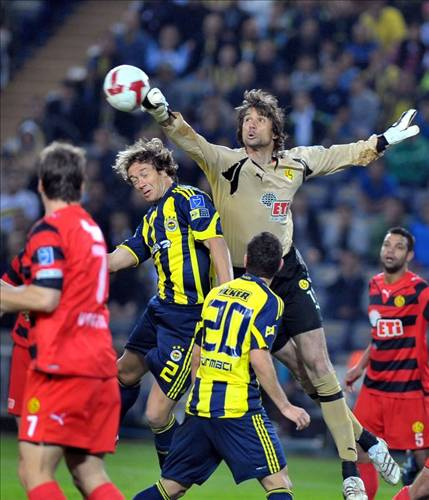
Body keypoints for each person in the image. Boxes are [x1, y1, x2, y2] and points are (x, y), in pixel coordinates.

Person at [134, 85, 420, 497]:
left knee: (320, 366)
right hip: (243, 283)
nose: (250, 124)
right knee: (308, 379)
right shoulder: (224, 163)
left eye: (259, 119)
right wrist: (161, 112)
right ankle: (370, 442)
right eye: (245, 120)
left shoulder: (294, 163)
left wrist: (383, 141)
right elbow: (187, 137)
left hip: (286, 273)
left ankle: (350, 471)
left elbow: (341, 154)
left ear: (274, 128)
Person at [132, 232, 311, 500]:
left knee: (170, 487)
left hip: (201, 405)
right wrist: (285, 406)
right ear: (280, 267)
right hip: (238, 408)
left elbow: (197, 350)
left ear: (247, 260)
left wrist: (198, 391)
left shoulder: (216, 294)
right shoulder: (270, 302)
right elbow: (258, 355)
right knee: (278, 482)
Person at [0, 142, 123, 500]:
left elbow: (45, 296)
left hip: (63, 366)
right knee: (89, 474)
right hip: (100, 366)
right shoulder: (92, 231)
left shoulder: (49, 230)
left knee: (33, 470)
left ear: (40, 185)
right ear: (82, 186)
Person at [108, 137, 233, 467]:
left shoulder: (190, 199)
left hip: (190, 319)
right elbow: (124, 255)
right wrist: (87, 259)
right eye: (134, 180)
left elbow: (218, 248)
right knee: (122, 373)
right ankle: (104, 434)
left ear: (164, 170)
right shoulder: (151, 219)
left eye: (144, 174)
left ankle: (175, 474)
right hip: (159, 308)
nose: (140, 184)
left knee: (155, 414)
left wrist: (228, 305)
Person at [345, 227, 429, 500]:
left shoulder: (420, 291)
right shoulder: (374, 284)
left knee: (421, 460)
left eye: (398, 246)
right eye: (387, 244)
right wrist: (359, 368)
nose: (390, 250)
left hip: (408, 390)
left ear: (409, 255)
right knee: (359, 451)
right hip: (373, 388)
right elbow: (379, 334)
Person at [1, 251, 32, 425]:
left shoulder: (76, 261)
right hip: (23, 346)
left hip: (55, 351)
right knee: (24, 428)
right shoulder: (24, 258)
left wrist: (22, 298)